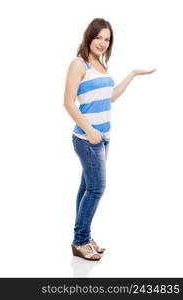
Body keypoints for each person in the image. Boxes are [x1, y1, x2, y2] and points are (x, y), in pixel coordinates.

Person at [63, 18, 157, 261]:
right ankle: (80, 240)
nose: (102, 43)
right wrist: (90, 131)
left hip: (103, 138)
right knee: (97, 188)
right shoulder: (78, 64)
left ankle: (83, 234)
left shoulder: (101, 66)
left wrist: (133, 74)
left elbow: (109, 97)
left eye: (107, 39)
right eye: (98, 37)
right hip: (87, 138)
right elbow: (67, 103)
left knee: (87, 187)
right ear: (89, 37)